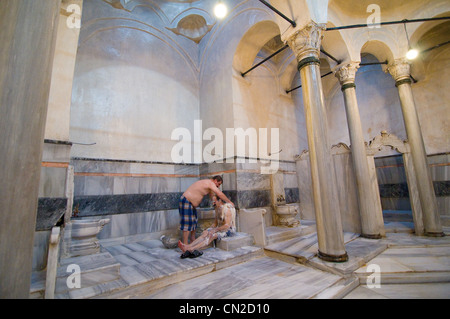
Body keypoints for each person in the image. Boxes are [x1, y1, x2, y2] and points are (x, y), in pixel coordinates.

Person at [179, 175, 234, 246]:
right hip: (186, 200)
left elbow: (213, 195)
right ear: (215, 181)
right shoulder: (210, 183)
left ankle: (192, 242)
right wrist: (229, 202)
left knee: (193, 222)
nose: (218, 186)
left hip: (191, 204)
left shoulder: (209, 185)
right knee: (187, 223)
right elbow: (219, 193)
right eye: (219, 184)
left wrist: (215, 201)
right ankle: (185, 245)